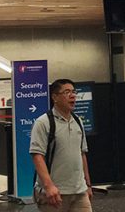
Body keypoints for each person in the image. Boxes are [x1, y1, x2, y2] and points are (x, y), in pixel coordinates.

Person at [30, 79, 92, 212]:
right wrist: (49, 186)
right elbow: (37, 156)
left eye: (74, 92)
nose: (73, 95)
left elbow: (82, 153)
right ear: (55, 97)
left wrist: (88, 184)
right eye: (67, 92)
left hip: (79, 191)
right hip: (55, 193)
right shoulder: (43, 123)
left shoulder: (78, 121)